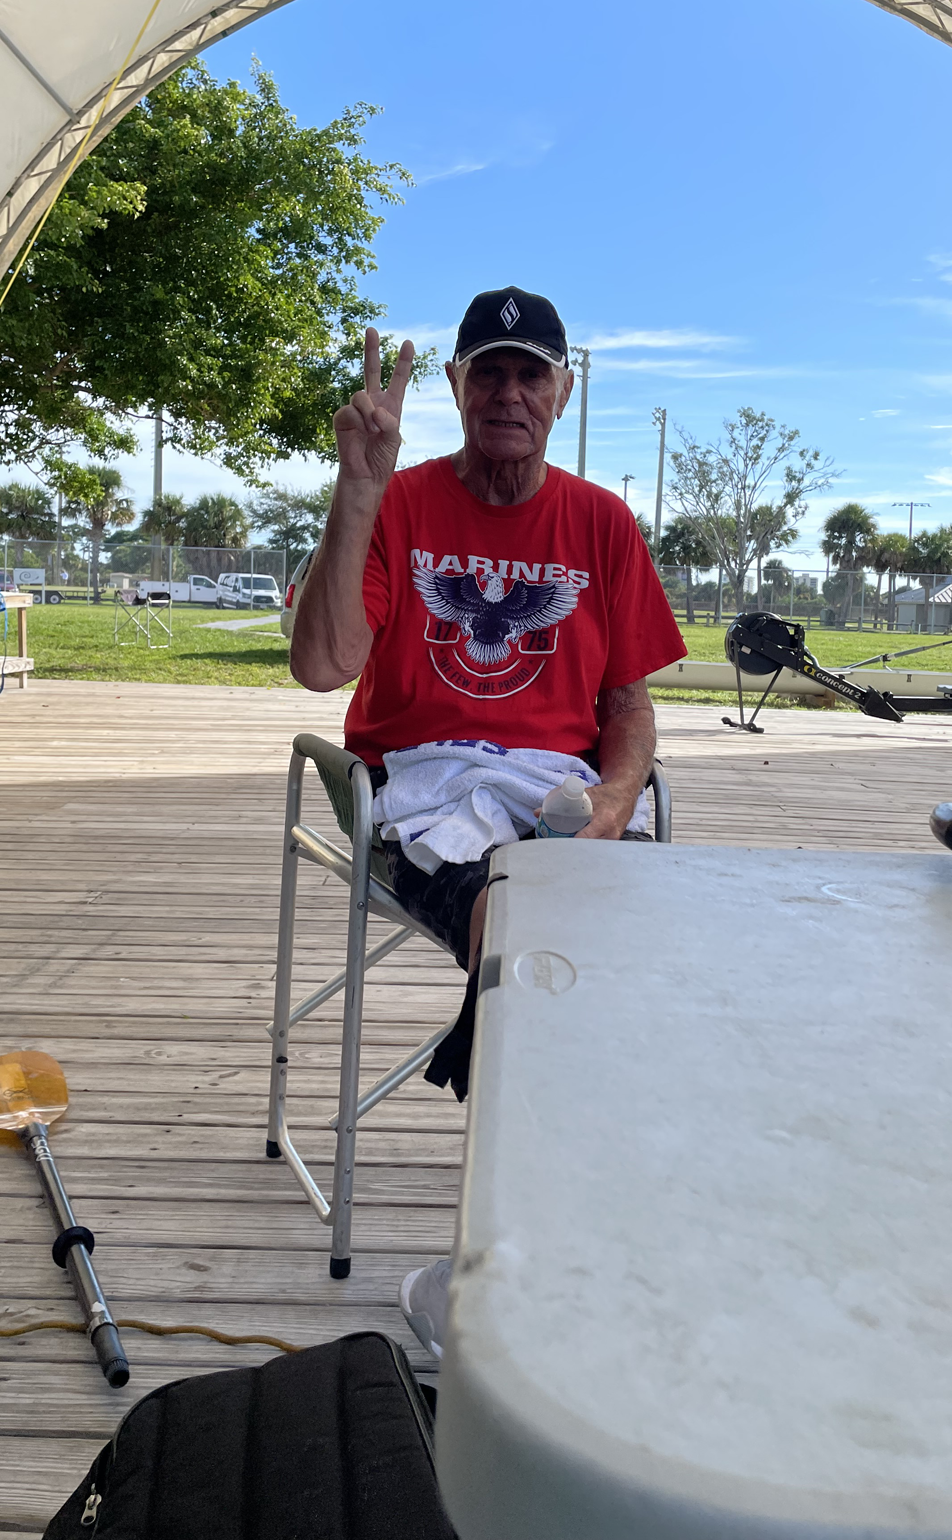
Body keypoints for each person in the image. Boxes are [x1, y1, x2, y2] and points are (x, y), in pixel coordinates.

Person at [290, 285, 687, 1354]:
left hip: (561, 795)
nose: (510, 392)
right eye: (490, 372)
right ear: (458, 385)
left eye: (531, 374)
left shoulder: (602, 523)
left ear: (562, 393)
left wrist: (616, 800)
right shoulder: (399, 503)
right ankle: (496, 1267)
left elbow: (629, 706)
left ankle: (605, 1219)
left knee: (653, 945)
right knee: (524, 932)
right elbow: (322, 665)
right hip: (423, 793)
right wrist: (358, 489)